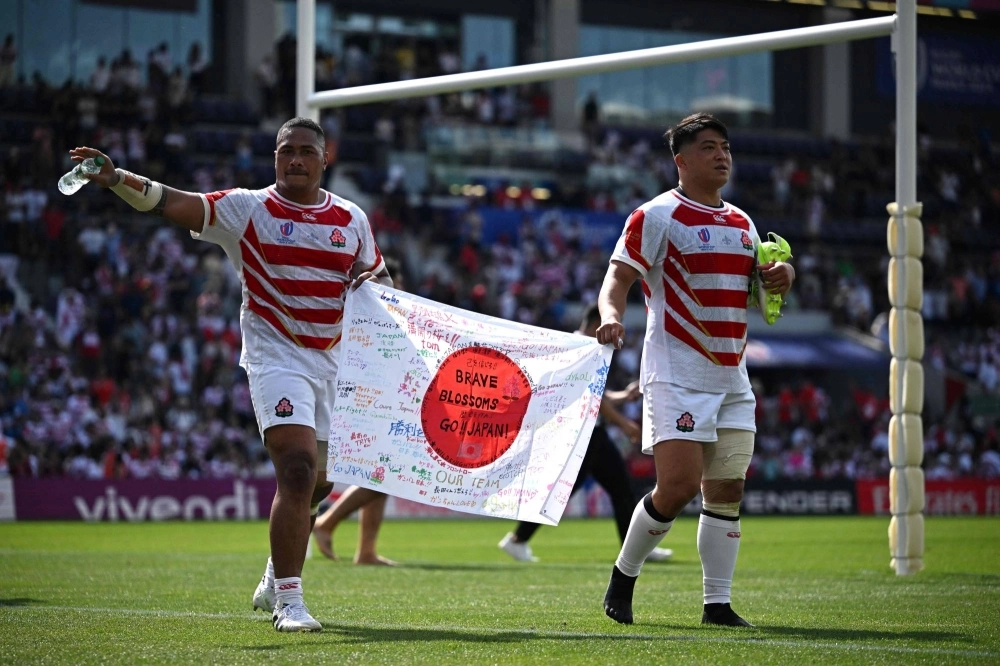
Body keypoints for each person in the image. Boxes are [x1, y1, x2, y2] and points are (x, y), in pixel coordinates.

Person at [68, 116, 390, 633]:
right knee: (298, 469)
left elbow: (376, 278)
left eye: (307, 151)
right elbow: (172, 201)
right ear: (275, 157)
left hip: (332, 362)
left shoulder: (351, 218)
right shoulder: (249, 208)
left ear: (325, 159)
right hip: (275, 358)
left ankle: (271, 577)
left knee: (319, 484)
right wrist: (116, 177)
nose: (296, 160)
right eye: (287, 151)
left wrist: (385, 297)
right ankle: (290, 601)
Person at [595, 113, 794, 627]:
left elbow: (759, 293)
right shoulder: (656, 215)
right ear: (681, 161)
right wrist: (611, 317)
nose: (721, 155)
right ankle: (624, 574)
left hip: (732, 377)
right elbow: (617, 278)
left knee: (726, 490)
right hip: (678, 372)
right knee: (678, 486)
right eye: (708, 147)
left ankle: (717, 605)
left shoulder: (743, 223)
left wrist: (782, 277)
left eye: (725, 147)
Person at [497, 303, 672, 564]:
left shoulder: (579, 346)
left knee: (617, 489)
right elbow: (594, 398)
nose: (616, 333)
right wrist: (624, 424)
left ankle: (518, 540)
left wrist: (624, 396)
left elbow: (599, 394)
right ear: (596, 325)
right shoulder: (584, 348)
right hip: (585, 433)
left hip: (588, 433)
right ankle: (518, 539)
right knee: (603, 490)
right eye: (612, 325)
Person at [312, 256, 403, 566]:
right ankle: (328, 523)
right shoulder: (360, 307)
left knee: (382, 471)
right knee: (382, 473)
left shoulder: (381, 312)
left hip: (379, 398)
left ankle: (365, 550)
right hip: (362, 398)